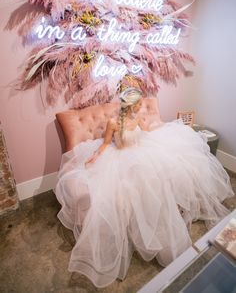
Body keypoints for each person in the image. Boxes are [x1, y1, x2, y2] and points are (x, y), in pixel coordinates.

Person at [55, 87, 234, 288]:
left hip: (143, 152)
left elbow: (147, 134)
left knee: (166, 173)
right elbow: (105, 144)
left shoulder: (138, 119)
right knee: (135, 184)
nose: (141, 107)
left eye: (141, 104)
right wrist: (95, 156)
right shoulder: (113, 123)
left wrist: (165, 133)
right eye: (138, 104)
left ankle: (163, 222)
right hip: (121, 159)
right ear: (129, 105)